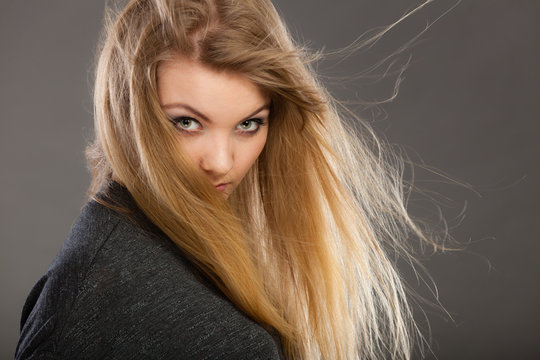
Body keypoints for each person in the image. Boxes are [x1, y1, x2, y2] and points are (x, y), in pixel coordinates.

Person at [15, 0, 440, 359]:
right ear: (129, 115)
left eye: (249, 125)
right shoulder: (104, 292)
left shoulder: (119, 241)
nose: (221, 163)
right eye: (186, 122)